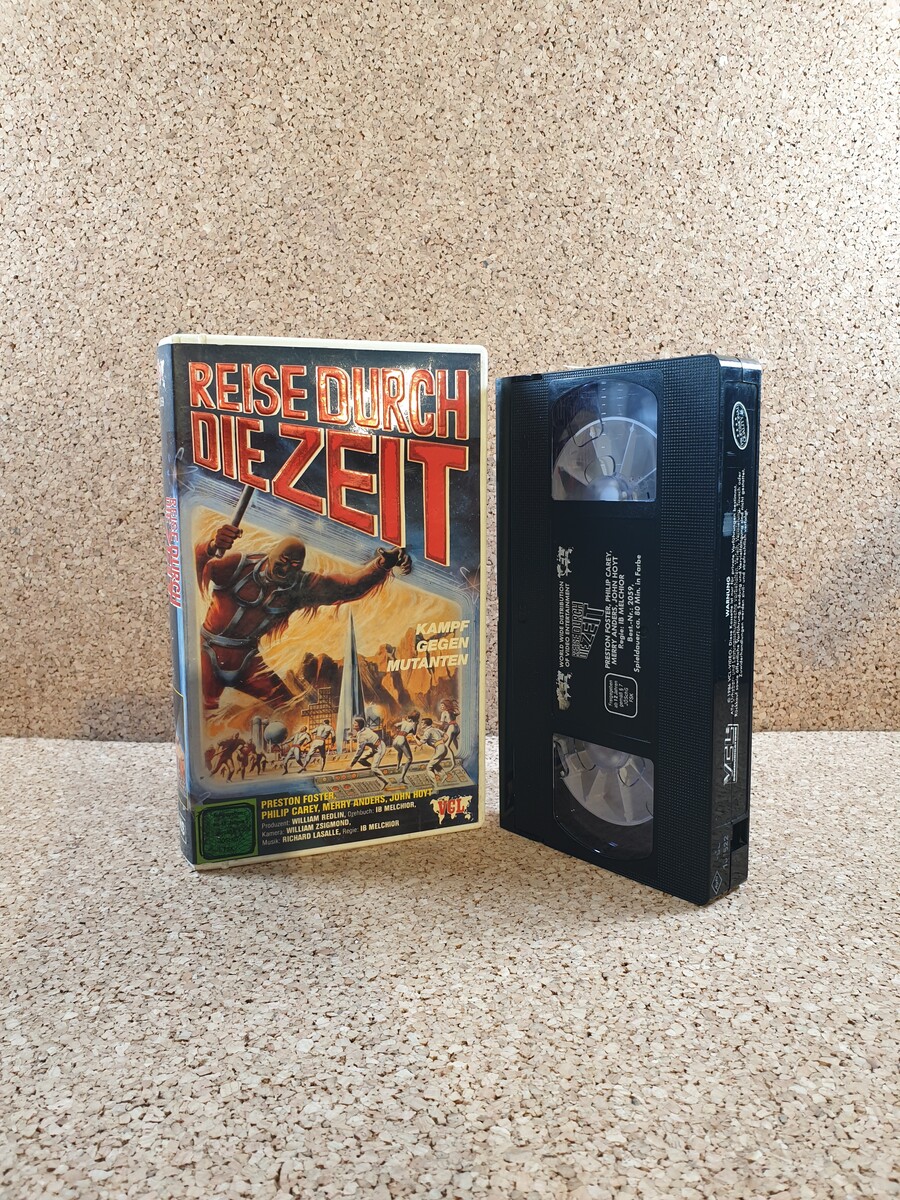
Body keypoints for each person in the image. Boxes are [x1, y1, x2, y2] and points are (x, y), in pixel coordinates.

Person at [196, 524, 411, 714]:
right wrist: (213, 546)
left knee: (290, 709)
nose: (286, 570)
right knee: (201, 711)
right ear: (270, 556)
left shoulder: (300, 585)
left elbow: (348, 587)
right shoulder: (238, 566)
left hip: (247, 660)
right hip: (207, 652)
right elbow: (196, 563)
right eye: (283, 562)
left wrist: (382, 564)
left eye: (294, 566)